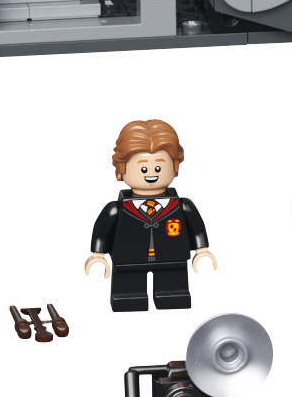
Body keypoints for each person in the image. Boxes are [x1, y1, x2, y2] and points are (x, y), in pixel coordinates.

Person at [88, 120, 218, 311]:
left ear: (175, 166)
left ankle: (171, 297)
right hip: (128, 260)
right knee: (128, 295)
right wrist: (98, 255)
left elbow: (196, 227)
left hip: (172, 258)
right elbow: (102, 230)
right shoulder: (117, 209)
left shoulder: (181, 205)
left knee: (174, 293)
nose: (151, 175)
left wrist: (202, 251)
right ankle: (128, 298)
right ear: (122, 169)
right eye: (143, 168)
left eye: (158, 168)